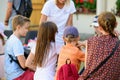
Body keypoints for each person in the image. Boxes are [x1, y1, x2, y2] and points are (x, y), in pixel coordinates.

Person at [78, 12, 120, 80]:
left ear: (99, 28)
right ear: (116, 24)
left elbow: (87, 67)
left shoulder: (91, 42)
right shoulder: (118, 44)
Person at [4, 15, 32, 80]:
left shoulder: (11, 38)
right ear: (18, 27)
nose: (27, 30)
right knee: (38, 74)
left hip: (10, 75)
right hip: (17, 76)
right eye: (26, 28)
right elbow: (24, 65)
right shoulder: (16, 42)